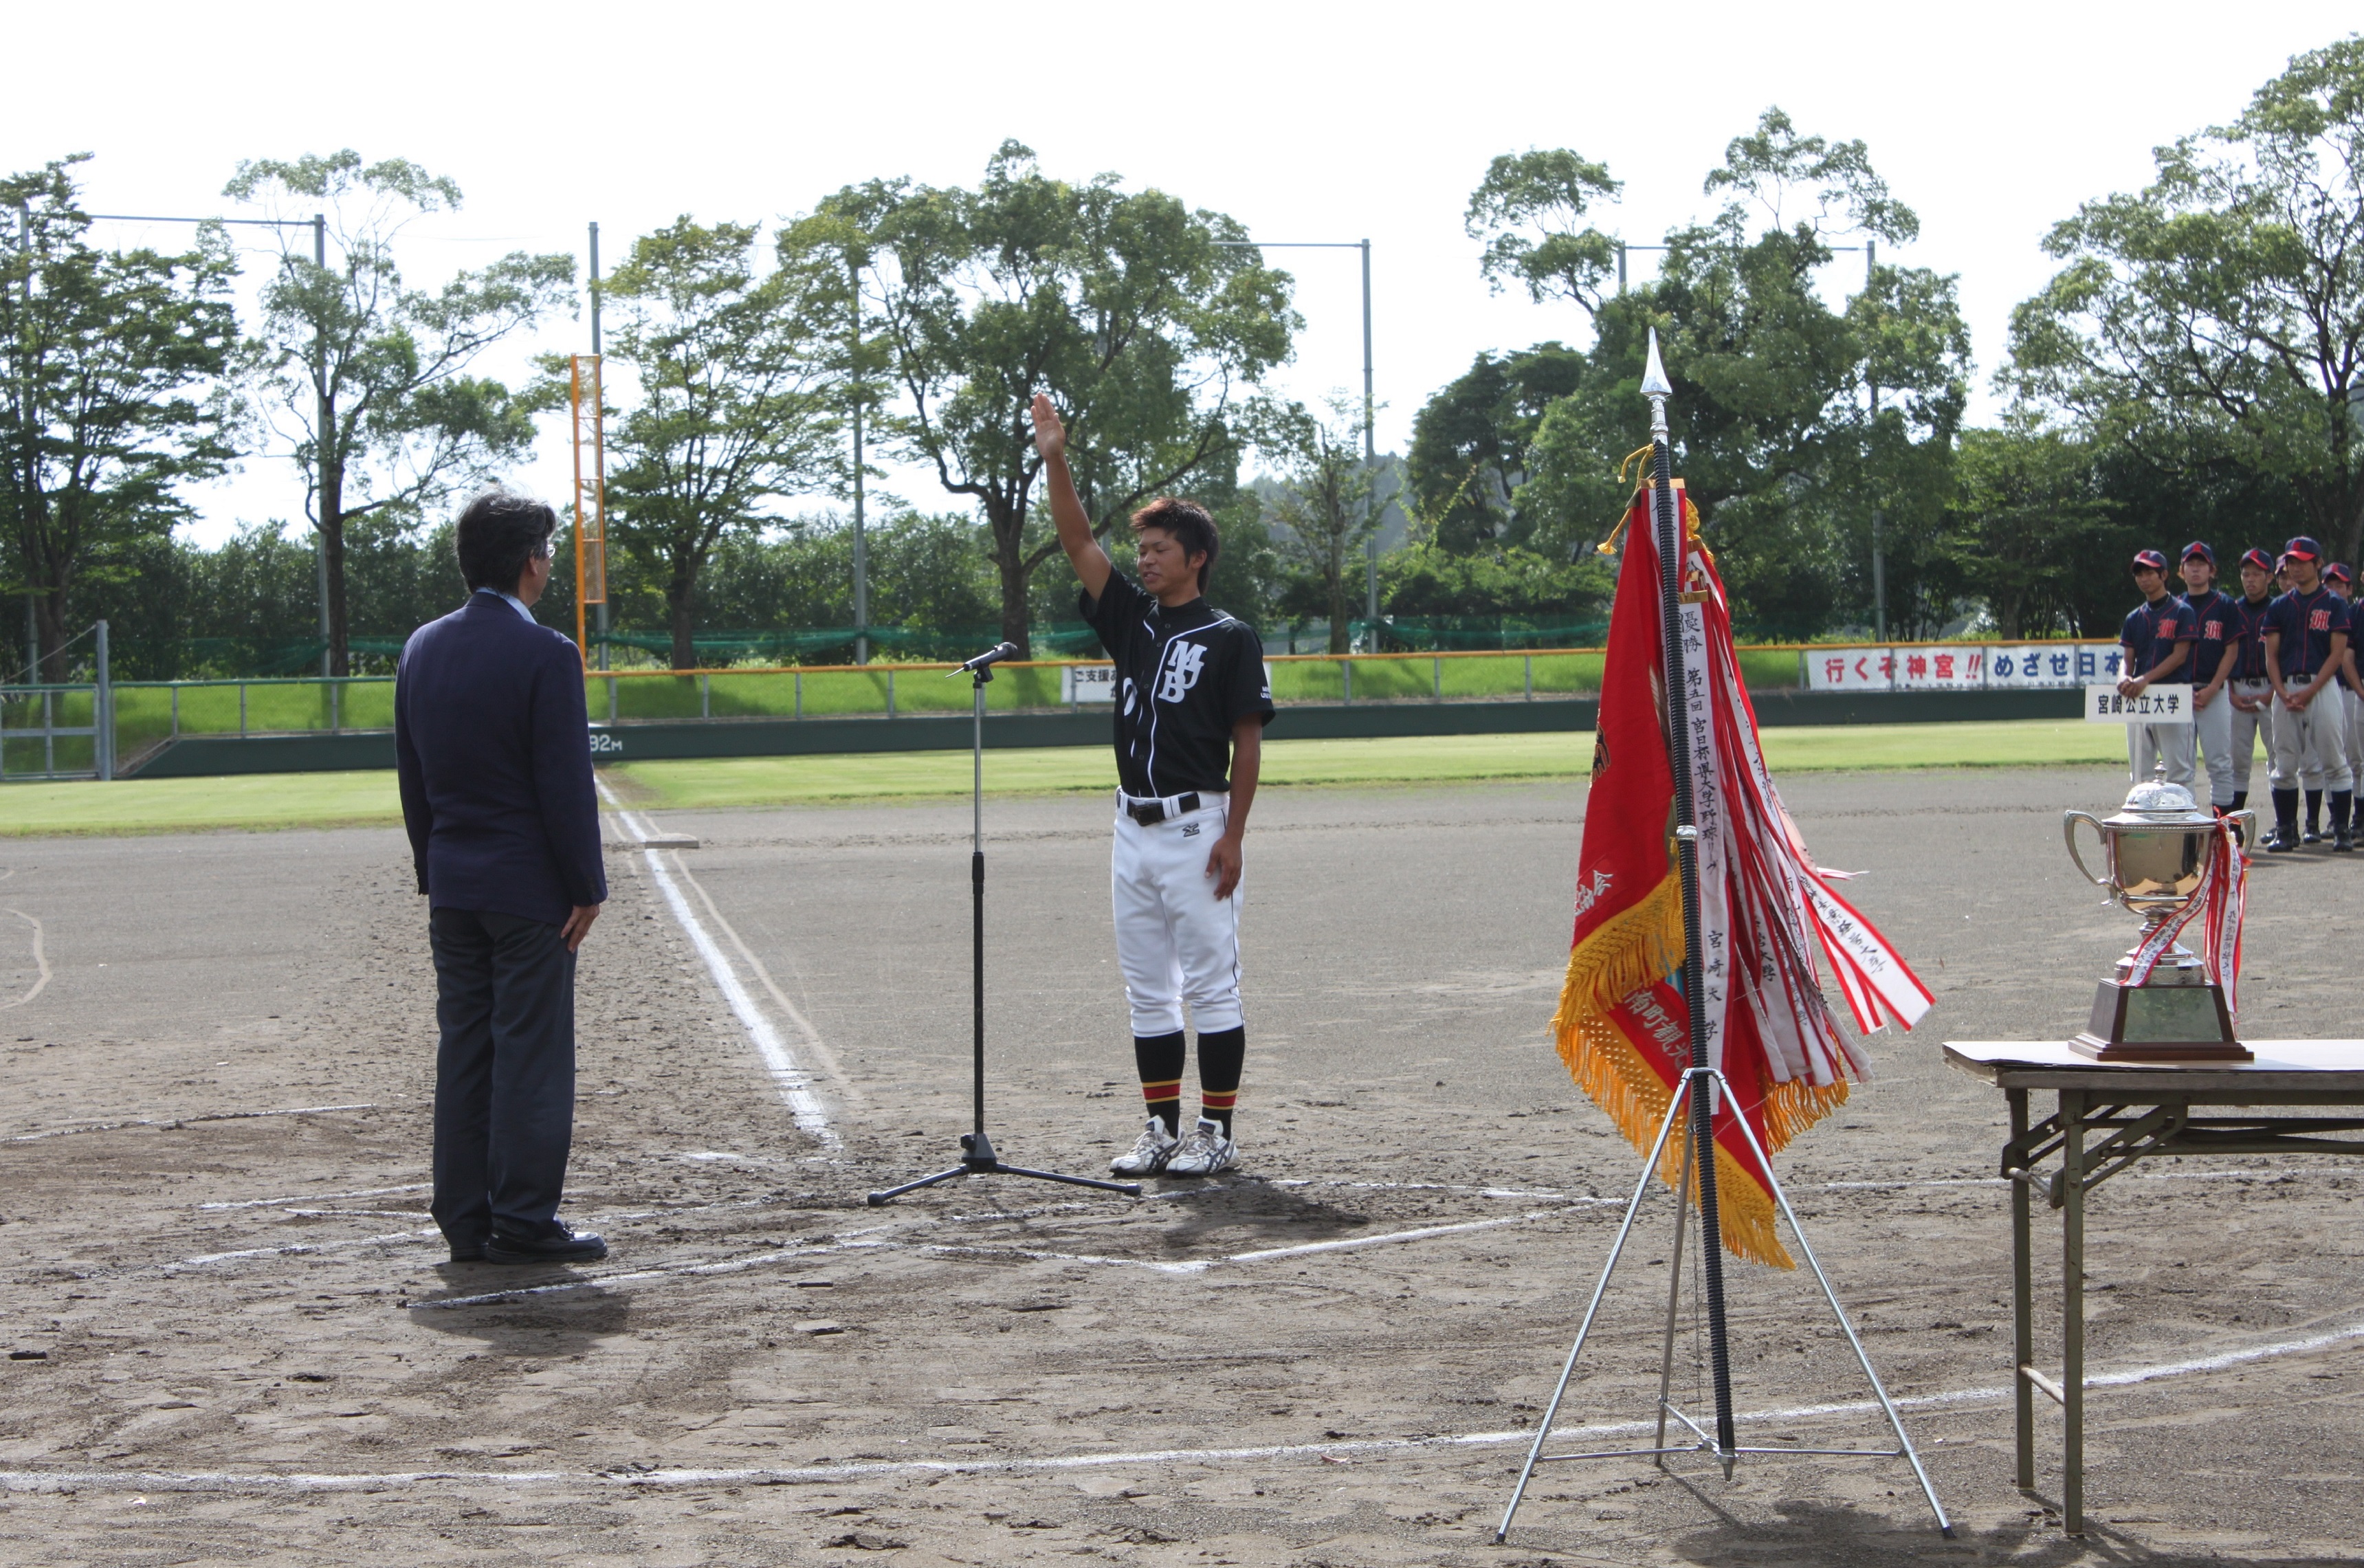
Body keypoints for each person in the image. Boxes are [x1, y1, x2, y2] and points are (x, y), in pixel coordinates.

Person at [1029, 392, 1274, 1178]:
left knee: (1211, 987)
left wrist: (1234, 835)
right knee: (1147, 991)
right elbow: (1075, 541)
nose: (1147, 558)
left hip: (1196, 825)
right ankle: (1161, 1129)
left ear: (1196, 557)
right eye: (1145, 548)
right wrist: (1055, 457)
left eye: (1162, 547)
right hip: (1130, 829)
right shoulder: (1131, 619)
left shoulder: (1231, 637)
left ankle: (1217, 1133)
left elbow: (1247, 740)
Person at [395, 487, 610, 1263]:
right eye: (548, 552)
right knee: (531, 1054)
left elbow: (412, 776)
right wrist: (586, 883)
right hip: (528, 894)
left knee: (467, 1051)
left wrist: (436, 869)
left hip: (455, 884)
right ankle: (522, 1216)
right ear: (530, 561)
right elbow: (563, 782)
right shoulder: (547, 652)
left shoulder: (422, 645)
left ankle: (465, 1219)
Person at [2261, 535, 2353, 853]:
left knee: (2334, 760)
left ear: (2318, 564)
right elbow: (2271, 655)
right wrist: (2283, 692)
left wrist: (2310, 691)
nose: (2295, 567)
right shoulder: (2279, 606)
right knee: (2284, 763)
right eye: (2291, 562)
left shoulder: (2334, 603)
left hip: (2322, 685)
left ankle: (2341, 829)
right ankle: (2287, 830)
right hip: (2286, 687)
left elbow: (2337, 653)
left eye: (2302, 561)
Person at [2117, 549, 2197, 791]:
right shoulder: (2134, 618)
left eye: (2149, 572)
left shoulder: (2182, 611)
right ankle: (2145, 827)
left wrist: (2144, 679)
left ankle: (2184, 828)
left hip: (2172, 694)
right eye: (2139, 573)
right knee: (2140, 774)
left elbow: (2180, 656)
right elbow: (2127, 658)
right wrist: (2123, 678)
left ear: (2164, 575)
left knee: (2179, 772)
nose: (2143, 578)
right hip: (2139, 698)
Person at [2176, 542, 2241, 813]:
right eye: (2191, 564)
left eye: (2201, 564)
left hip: (2214, 693)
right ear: (2181, 571)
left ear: (2211, 570)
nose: (2196, 569)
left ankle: (2224, 832)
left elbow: (2232, 649)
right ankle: (2186, 827)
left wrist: (2214, 687)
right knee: (2181, 767)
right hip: (2180, 695)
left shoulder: (2225, 605)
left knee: (2220, 764)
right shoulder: (2174, 606)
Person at [2224, 548, 2281, 815]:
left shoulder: (2280, 609)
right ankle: (2234, 828)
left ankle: (2285, 825)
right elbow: (2224, 655)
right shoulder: (2231, 610)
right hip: (2238, 690)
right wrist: (2232, 693)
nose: (2250, 579)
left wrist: (2273, 692)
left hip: (2273, 691)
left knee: (2280, 759)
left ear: (2269, 577)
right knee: (2237, 762)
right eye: (2246, 574)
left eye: (2257, 573)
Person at [2330, 564, 2364, 829]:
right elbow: (2347, 658)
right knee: (2354, 758)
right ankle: (2358, 818)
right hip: (2354, 689)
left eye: (2338, 585)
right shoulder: (2355, 613)